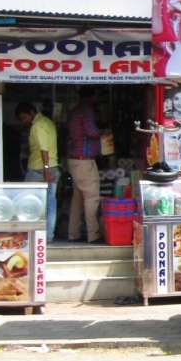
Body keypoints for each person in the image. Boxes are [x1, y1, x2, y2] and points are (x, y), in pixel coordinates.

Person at [66, 87, 108, 244]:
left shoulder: (73, 111)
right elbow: (91, 131)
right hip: (85, 160)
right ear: (91, 97)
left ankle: (73, 233)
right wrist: (104, 131)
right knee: (92, 198)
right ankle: (93, 234)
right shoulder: (86, 109)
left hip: (74, 159)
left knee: (77, 199)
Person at [15, 101, 59, 242]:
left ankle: (28, 234)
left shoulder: (37, 126)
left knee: (26, 200)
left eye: (24, 117)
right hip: (53, 167)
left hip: (38, 169)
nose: (24, 121)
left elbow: (43, 149)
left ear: (32, 112)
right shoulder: (49, 123)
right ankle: (48, 236)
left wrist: (45, 169)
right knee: (50, 203)